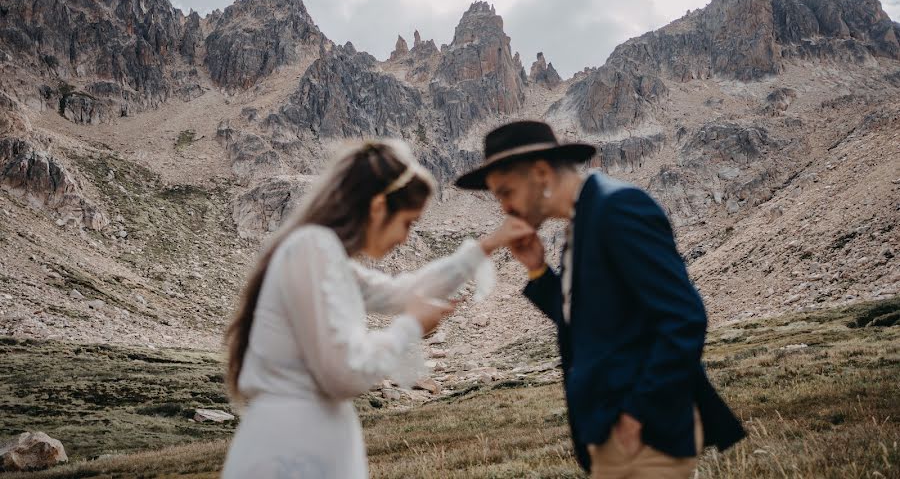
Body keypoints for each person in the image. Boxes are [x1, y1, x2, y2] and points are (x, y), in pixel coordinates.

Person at [222, 139, 531, 479]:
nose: (406, 238)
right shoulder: (313, 249)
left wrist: (486, 245)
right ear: (378, 206)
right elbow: (344, 372)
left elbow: (408, 290)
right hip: (292, 454)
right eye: (409, 223)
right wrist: (411, 326)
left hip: (303, 446)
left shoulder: (324, 254)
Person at [455, 120, 745, 479]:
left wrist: (636, 414)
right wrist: (538, 272)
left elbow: (684, 318)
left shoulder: (618, 209)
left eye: (505, 192)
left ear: (542, 173)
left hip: (644, 436)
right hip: (615, 432)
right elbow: (593, 323)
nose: (504, 207)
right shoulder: (584, 221)